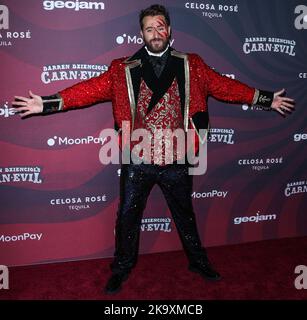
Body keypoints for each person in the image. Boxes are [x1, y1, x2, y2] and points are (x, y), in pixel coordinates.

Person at [12, 4, 295, 295]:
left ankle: (198, 262)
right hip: (138, 158)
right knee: (127, 217)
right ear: (141, 33)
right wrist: (45, 103)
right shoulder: (121, 69)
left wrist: (266, 99)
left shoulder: (192, 64)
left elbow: (225, 87)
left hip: (178, 156)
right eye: (150, 28)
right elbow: (86, 90)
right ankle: (121, 268)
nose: (155, 33)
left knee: (185, 215)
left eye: (160, 27)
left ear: (169, 31)